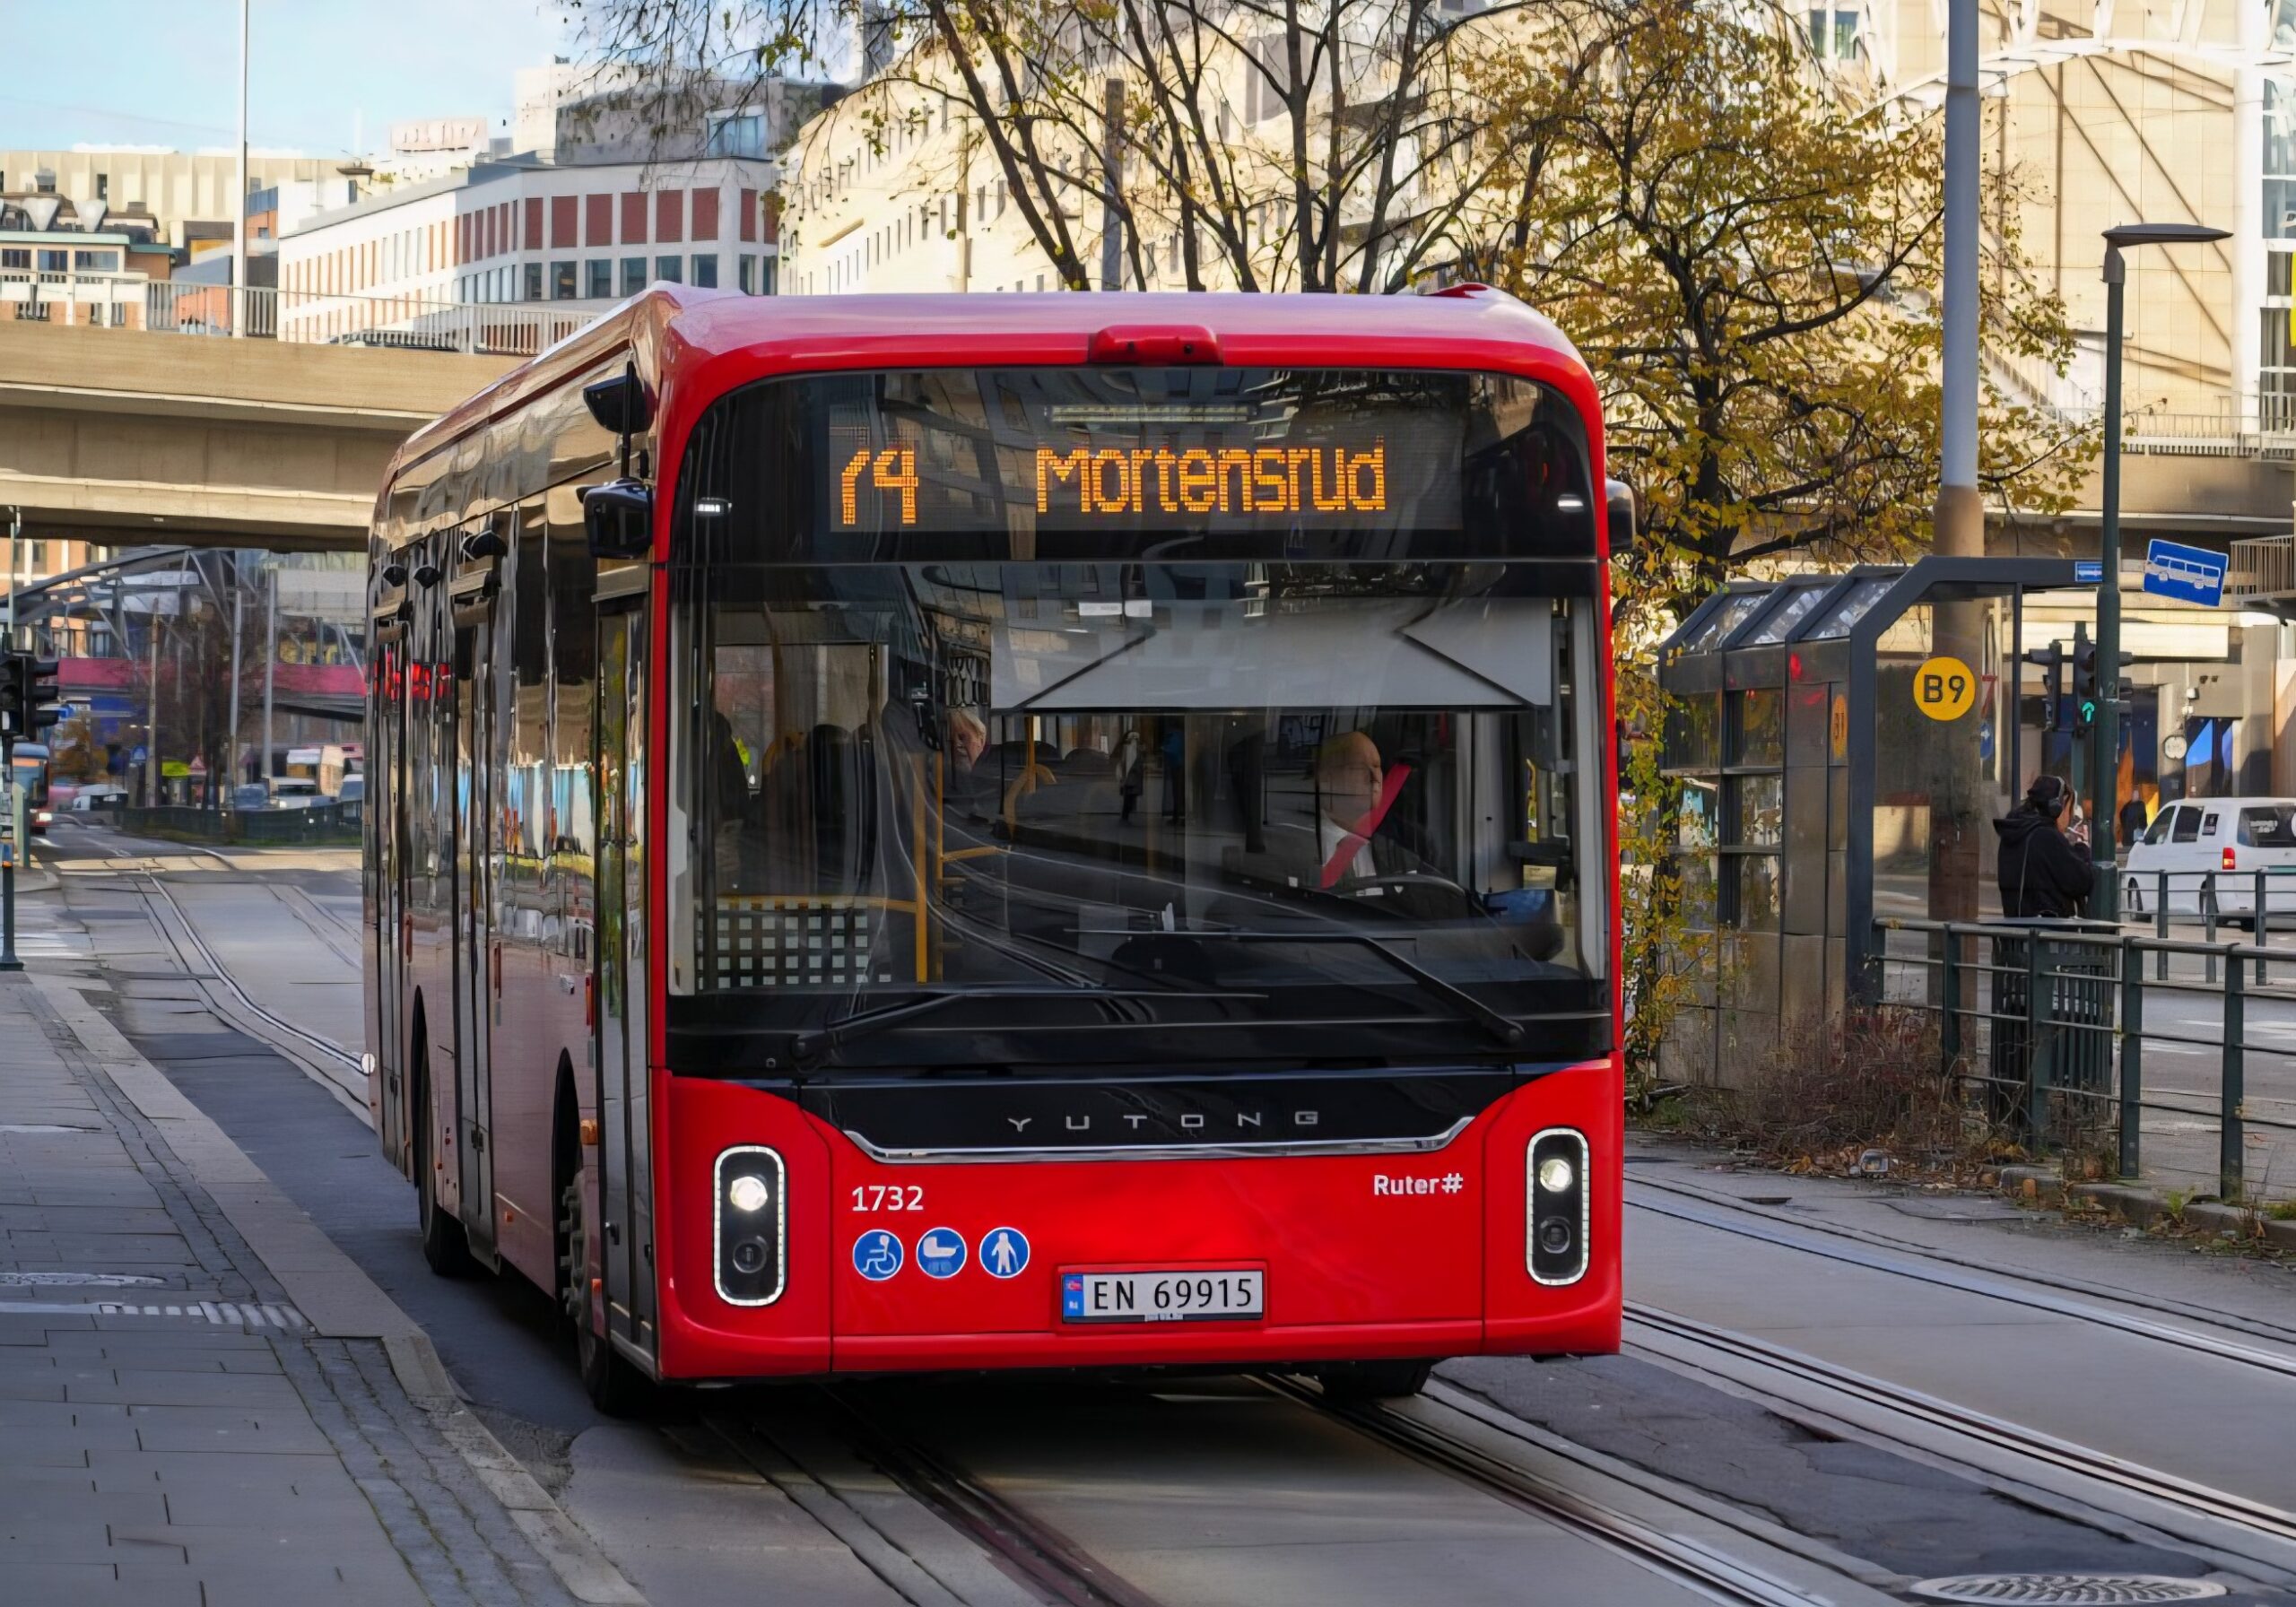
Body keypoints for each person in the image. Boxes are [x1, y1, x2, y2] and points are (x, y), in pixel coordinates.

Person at [1995, 774, 2094, 918]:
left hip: (2017, 931)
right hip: (2047, 932)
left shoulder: (2017, 832)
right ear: (2057, 807)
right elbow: (2082, 881)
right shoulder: (2047, 837)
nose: (2070, 817)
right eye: (2069, 809)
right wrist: (2083, 848)